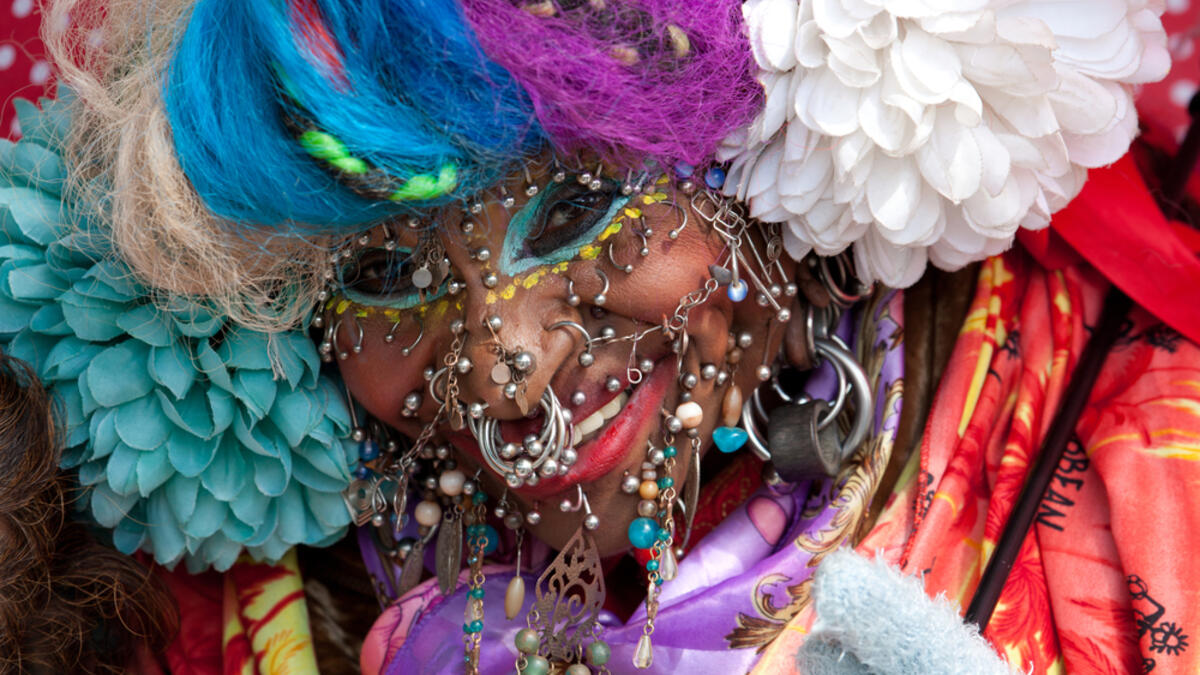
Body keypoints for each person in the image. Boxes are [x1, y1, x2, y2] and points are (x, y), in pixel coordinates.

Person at [2, 0, 1197, 673]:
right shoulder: (202, 618)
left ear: (746, 159)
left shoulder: (1150, 477)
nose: (506, 365)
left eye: (572, 210)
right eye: (378, 275)